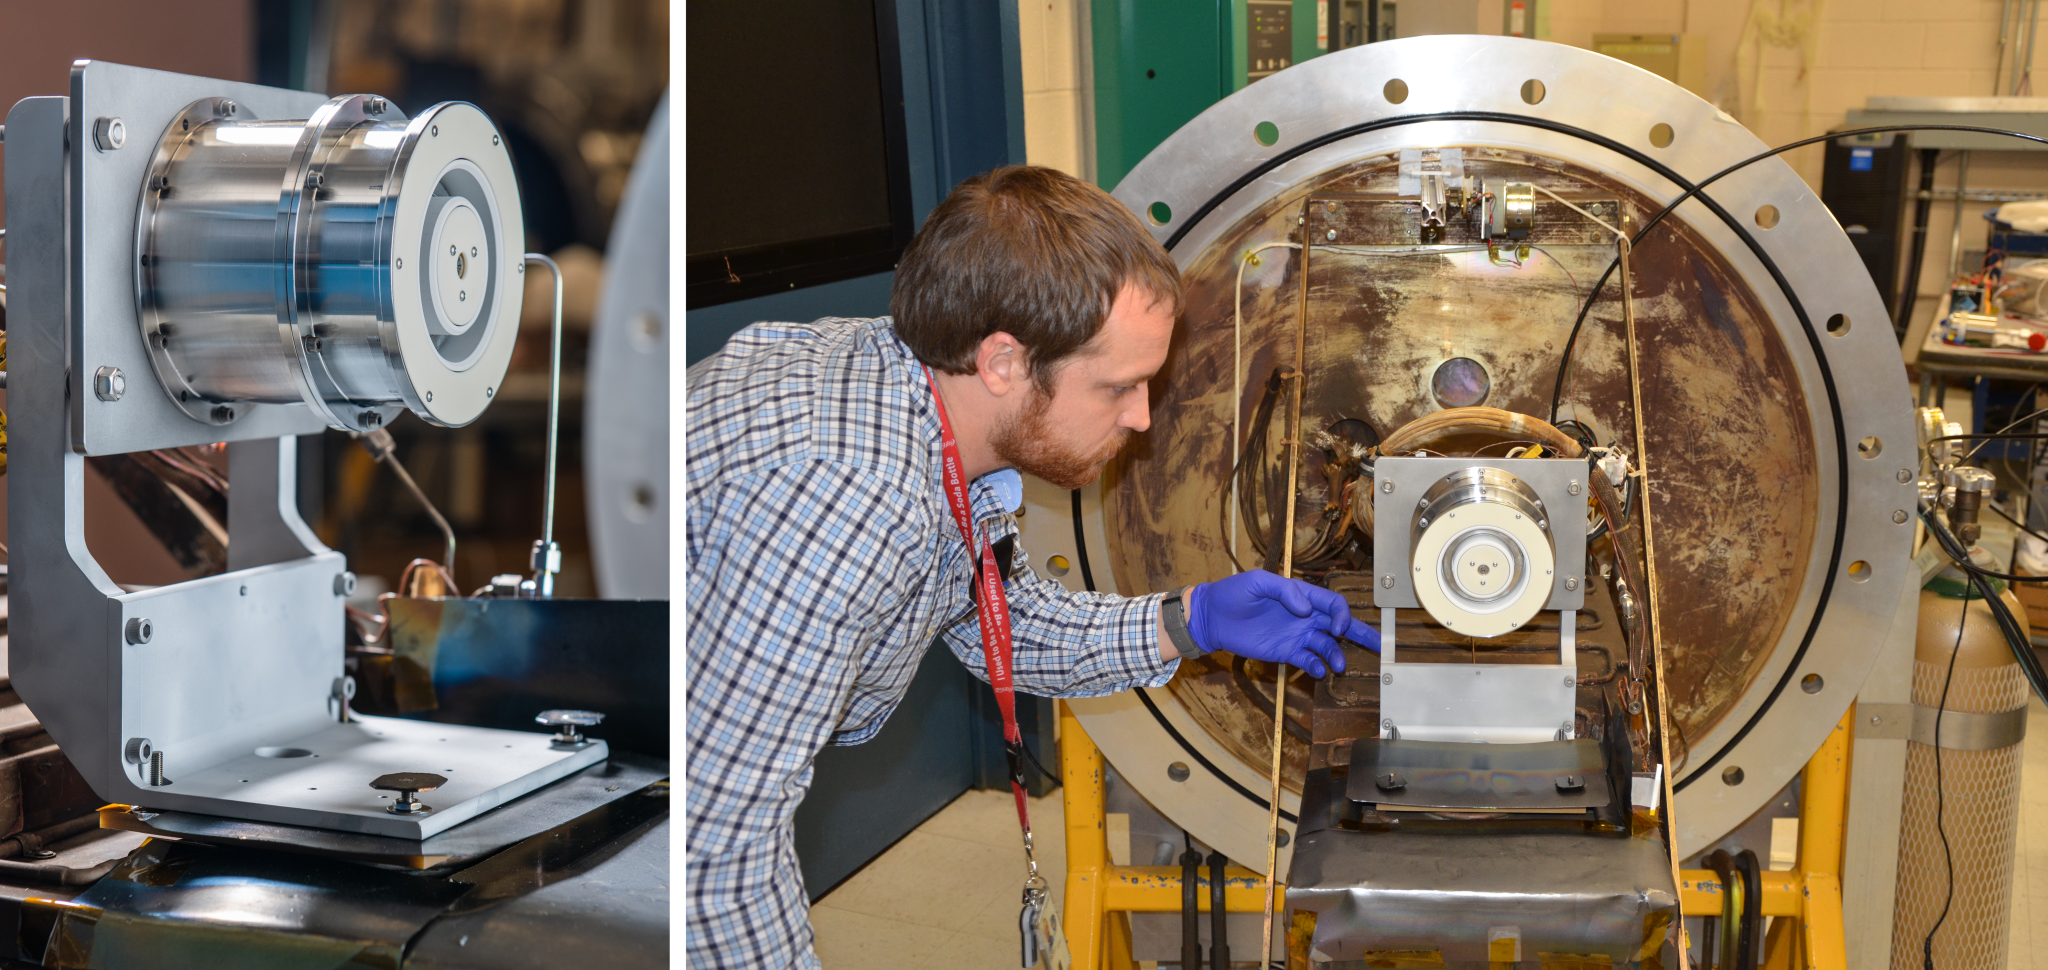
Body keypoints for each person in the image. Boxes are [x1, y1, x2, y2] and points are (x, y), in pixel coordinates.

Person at [685, 165, 1378, 968]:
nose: (1142, 418)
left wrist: (1187, 620)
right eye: (1118, 386)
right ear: (1004, 361)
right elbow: (715, 850)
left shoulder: (910, 398)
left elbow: (999, 623)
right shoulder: (850, 495)